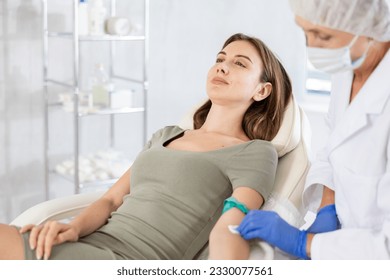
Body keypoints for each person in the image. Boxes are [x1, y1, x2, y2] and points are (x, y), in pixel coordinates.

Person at [0, 33, 293, 260]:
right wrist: (73, 227)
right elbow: (112, 200)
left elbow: (232, 223)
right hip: (90, 242)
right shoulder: (166, 135)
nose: (223, 67)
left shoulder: (254, 152)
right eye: (220, 59)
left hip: (134, 260)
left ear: (262, 90)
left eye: (239, 63)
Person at [237, 0, 390, 259]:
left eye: (323, 35)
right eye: (305, 31)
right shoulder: (348, 64)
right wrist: (327, 206)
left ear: (368, 29)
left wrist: (303, 243)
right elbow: (335, 142)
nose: (312, 46)